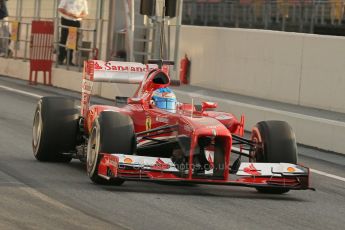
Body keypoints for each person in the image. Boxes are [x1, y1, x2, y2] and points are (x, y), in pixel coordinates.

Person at [58, 0, 88, 65]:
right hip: (66, 20)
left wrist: (78, 16)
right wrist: (69, 14)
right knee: (63, 39)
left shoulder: (83, 1)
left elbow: (85, 13)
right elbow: (60, 8)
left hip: (76, 21)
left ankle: (69, 60)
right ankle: (60, 59)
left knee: (72, 41)